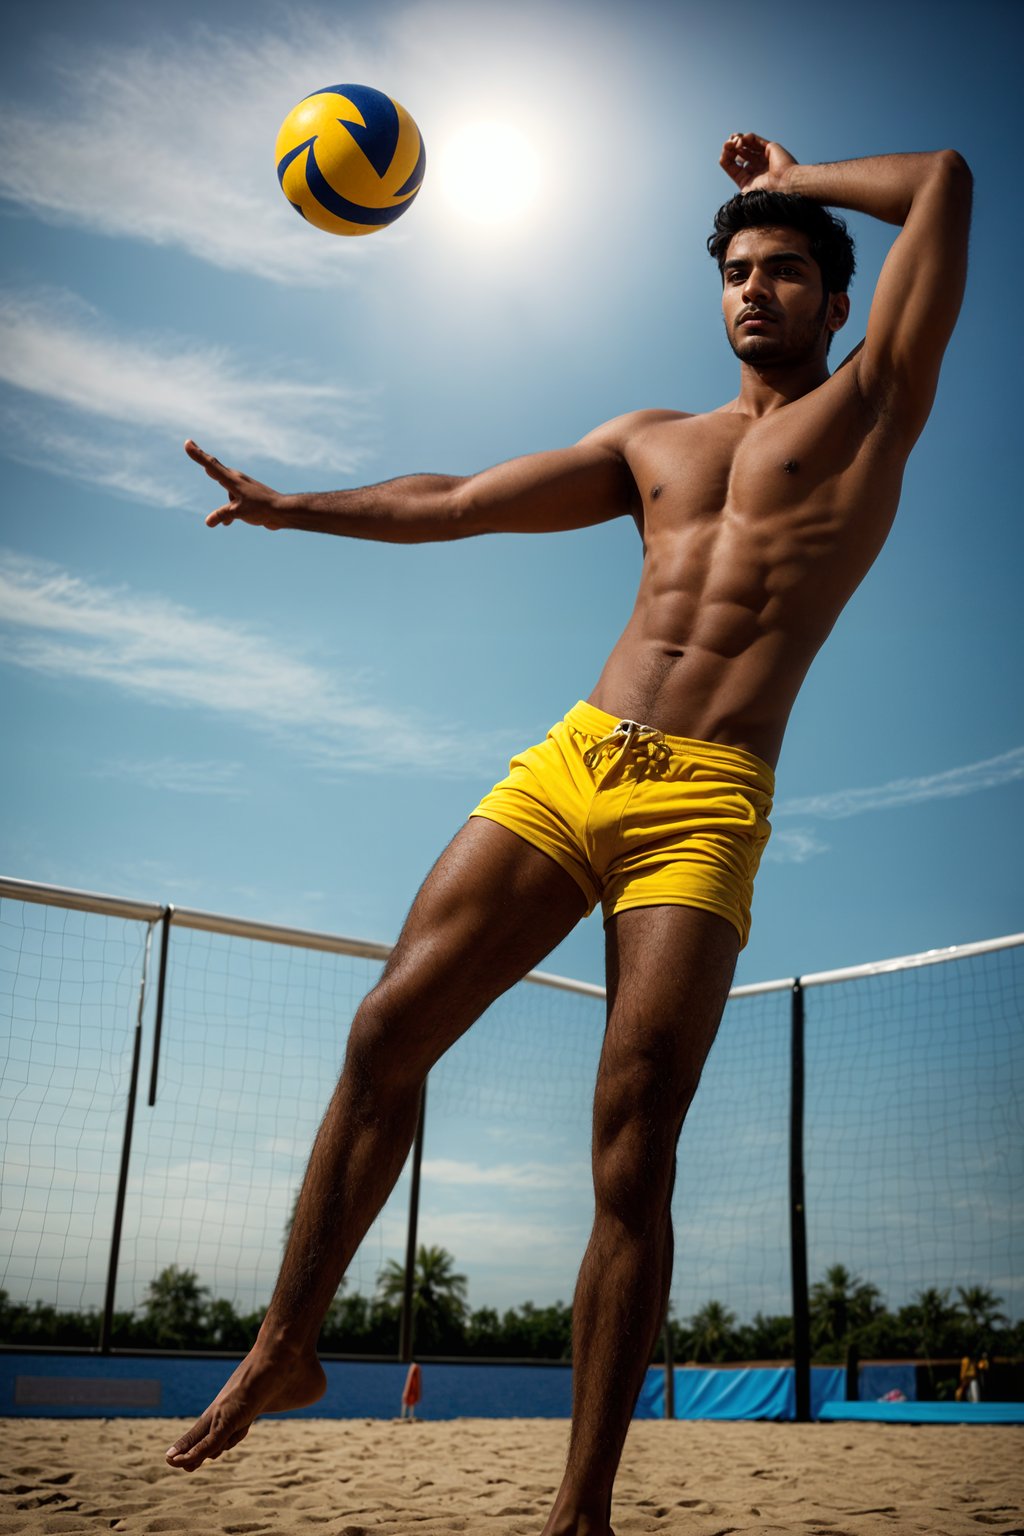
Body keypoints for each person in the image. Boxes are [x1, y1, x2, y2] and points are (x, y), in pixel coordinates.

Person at [165, 132, 972, 1535]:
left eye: (784, 270)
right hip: (578, 759)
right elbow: (465, 499)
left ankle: (580, 1509)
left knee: (631, 1146)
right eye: (735, 271)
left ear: (842, 300)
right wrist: (300, 507)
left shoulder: (874, 406)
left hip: (706, 799)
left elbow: (949, 181)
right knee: (384, 1032)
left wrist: (796, 176)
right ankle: (290, 1342)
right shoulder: (652, 442)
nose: (756, 291)